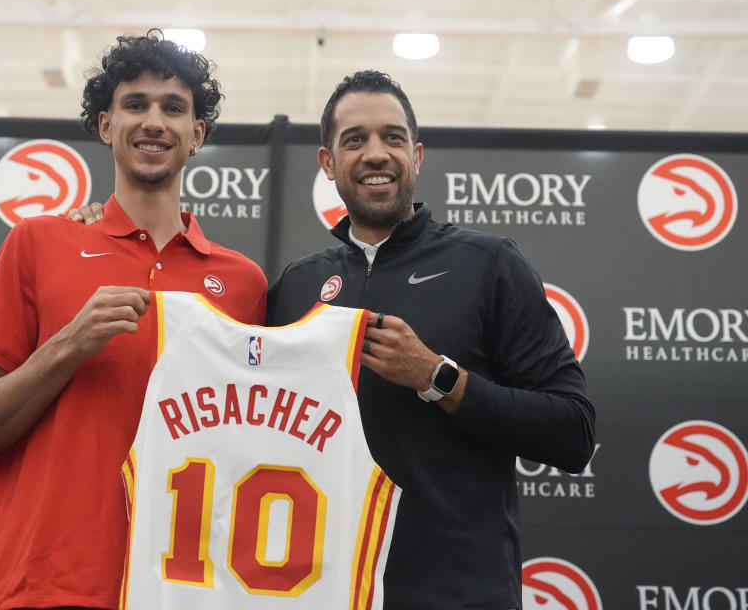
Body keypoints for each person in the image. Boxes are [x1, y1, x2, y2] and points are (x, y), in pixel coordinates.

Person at [68, 70, 595, 609]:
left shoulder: (488, 265)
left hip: (456, 591)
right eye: (354, 140)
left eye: (392, 138)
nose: (375, 153)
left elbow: (573, 431)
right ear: (327, 163)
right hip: (321, 591)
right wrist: (100, 219)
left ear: (417, 155)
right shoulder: (296, 286)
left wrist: (440, 379)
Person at [0, 30, 266, 610]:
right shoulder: (38, 243)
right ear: (105, 126)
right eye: (135, 104)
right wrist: (68, 344)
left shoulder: (244, 283)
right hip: (42, 589)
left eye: (174, 108)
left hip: (182, 591)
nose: (154, 121)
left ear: (197, 135)